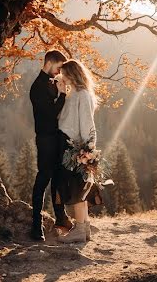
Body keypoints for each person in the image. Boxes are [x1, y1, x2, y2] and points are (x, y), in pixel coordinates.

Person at [55, 59, 100, 243]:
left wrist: (87, 150)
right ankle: (85, 227)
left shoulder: (82, 94)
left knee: (77, 187)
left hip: (75, 146)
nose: (62, 77)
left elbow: (87, 123)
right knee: (77, 186)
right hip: (72, 144)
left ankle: (80, 230)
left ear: (72, 74)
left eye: (64, 74)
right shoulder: (74, 93)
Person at [28, 50, 72, 241]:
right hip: (45, 139)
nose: (59, 71)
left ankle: (61, 219)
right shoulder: (37, 86)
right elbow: (51, 113)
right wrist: (62, 95)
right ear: (50, 63)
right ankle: (36, 225)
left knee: (58, 178)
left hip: (57, 137)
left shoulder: (52, 82)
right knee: (43, 177)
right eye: (58, 67)